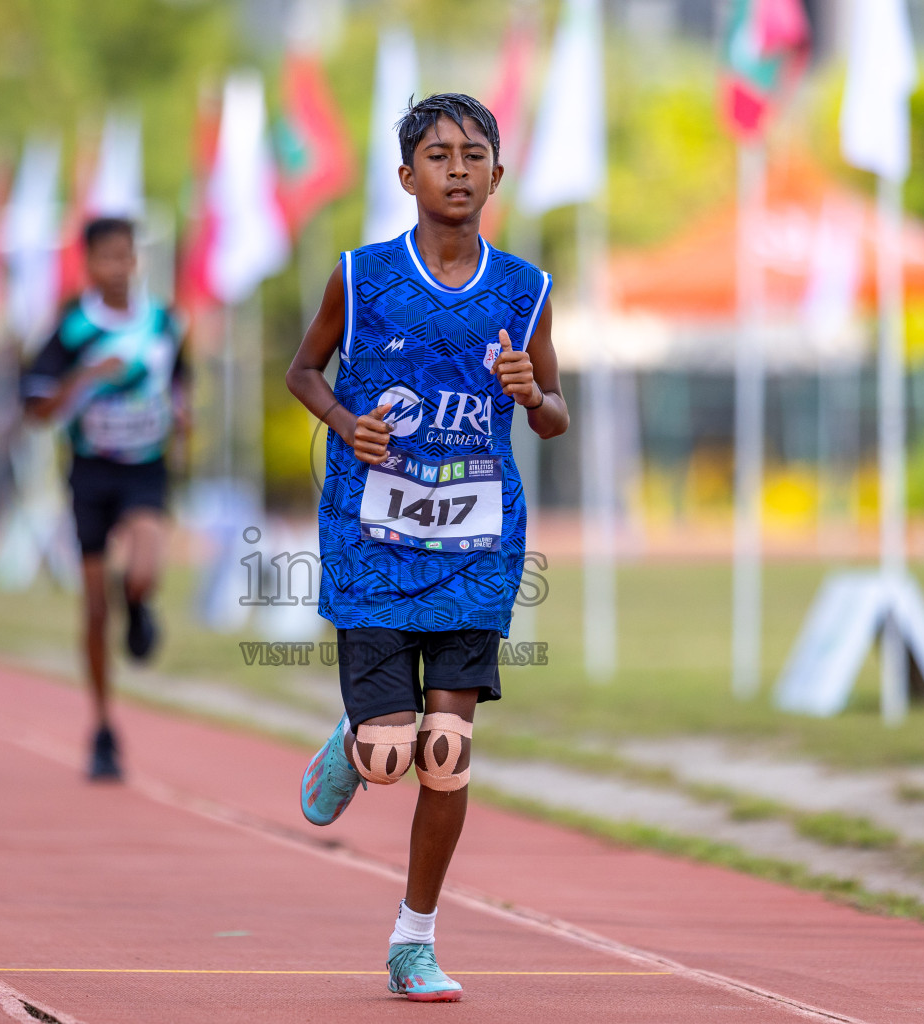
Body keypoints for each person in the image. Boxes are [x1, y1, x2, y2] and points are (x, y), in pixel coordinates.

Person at [285, 93, 568, 1003]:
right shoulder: (361, 277)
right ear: (406, 176)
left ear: (496, 173)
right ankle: (356, 739)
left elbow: (556, 415)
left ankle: (414, 939)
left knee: (444, 749)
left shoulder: (525, 291)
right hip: (371, 540)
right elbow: (302, 371)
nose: (456, 166)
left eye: (472, 152)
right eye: (437, 154)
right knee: (387, 755)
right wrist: (344, 423)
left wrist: (534, 396)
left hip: (476, 543)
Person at [21, 217, 188, 782]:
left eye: (126, 256)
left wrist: (182, 419)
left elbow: (180, 384)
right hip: (91, 472)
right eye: (107, 258)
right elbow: (35, 409)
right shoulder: (72, 329)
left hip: (146, 469)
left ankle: (137, 604)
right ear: (88, 264)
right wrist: (85, 378)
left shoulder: (164, 322)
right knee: (93, 610)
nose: (118, 267)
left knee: (143, 570)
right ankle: (102, 725)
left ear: (136, 260)